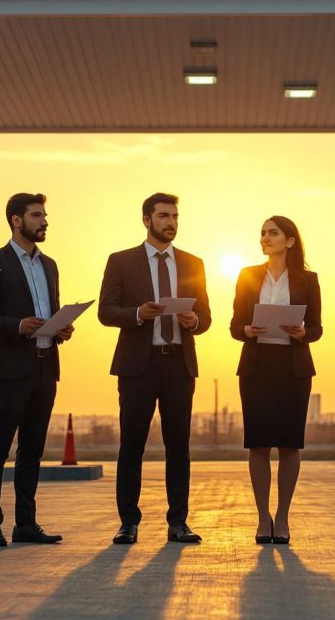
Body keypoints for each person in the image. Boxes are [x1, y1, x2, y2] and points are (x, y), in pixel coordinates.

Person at [99, 193, 211, 545]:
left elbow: (206, 317)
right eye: (164, 216)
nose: (171, 222)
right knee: (132, 445)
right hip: (138, 365)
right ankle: (128, 522)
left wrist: (194, 320)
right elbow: (106, 311)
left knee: (179, 446)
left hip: (179, 362)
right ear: (147, 219)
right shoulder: (121, 261)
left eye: (175, 216)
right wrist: (137, 314)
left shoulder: (194, 263)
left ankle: (178, 522)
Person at [0, 193, 71, 547]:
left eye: (44, 215)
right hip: (10, 370)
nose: (44, 221)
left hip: (46, 367)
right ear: (17, 220)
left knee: (32, 450)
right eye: (36, 215)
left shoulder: (50, 266)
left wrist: (61, 328)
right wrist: (19, 326)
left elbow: (52, 310)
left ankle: (26, 524)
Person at [230, 216, 322, 545]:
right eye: (263, 233)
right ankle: (261, 518)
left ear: (290, 241)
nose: (266, 238)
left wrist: (302, 333)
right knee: (257, 444)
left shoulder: (307, 280)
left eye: (273, 233)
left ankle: (282, 517)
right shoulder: (248, 275)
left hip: (292, 367)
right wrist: (247, 330)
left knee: (289, 444)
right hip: (257, 367)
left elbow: (316, 328)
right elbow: (234, 324)